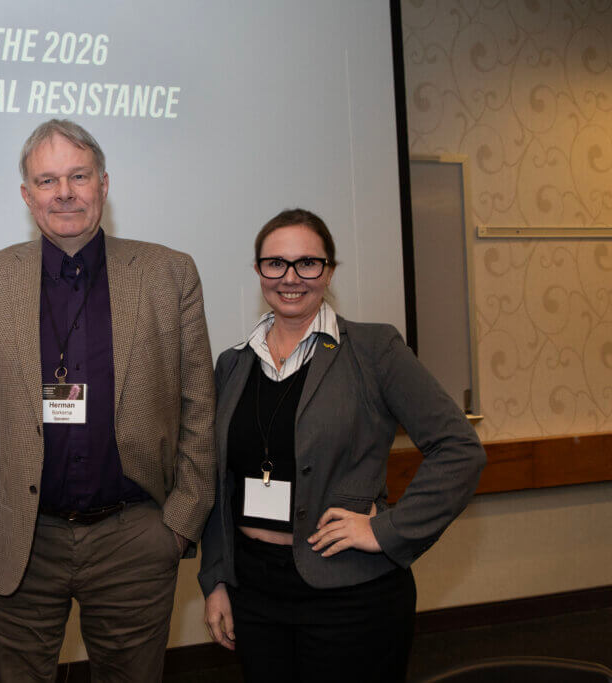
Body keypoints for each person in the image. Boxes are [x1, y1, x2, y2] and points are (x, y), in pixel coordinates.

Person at [0, 119, 216, 682]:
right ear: (27, 196)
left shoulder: (169, 273)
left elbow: (200, 406)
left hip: (135, 536)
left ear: (104, 183)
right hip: (19, 539)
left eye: (79, 175)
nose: (64, 192)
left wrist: (180, 522)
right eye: (47, 180)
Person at [199, 208, 486, 682]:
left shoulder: (374, 350)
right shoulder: (232, 364)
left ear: (328, 271)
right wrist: (216, 580)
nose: (291, 278)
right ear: (258, 271)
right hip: (254, 591)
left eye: (307, 263)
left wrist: (387, 530)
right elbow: (219, 481)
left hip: (351, 591)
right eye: (276, 264)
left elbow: (460, 449)